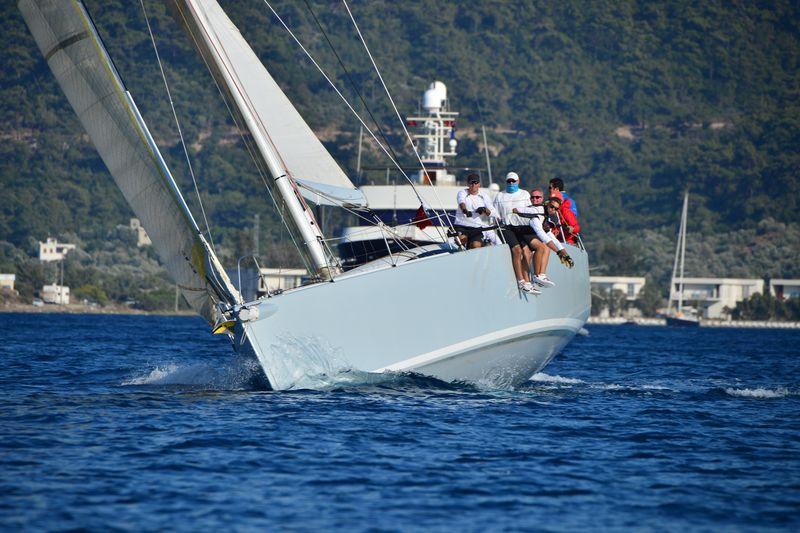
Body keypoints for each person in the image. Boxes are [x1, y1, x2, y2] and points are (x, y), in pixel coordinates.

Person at [492, 172, 538, 294]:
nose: (511, 183)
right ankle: (520, 281)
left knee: (527, 252)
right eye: (509, 181)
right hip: (506, 227)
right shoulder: (499, 196)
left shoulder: (524, 194)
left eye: (513, 181)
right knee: (517, 250)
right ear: (506, 182)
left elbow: (530, 210)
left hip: (521, 227)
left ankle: (528, 281)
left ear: (518, 181)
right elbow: (495, 215)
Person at [513, 196, 573, 287]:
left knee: (546, 249)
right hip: (517, 229)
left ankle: (541, 275)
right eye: (551, 206)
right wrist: (558, 253)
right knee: (542, 247)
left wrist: (565, 254)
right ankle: (537, 277)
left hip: (527, 230)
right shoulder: (538, 212)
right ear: (547, 204)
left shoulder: (545, 216)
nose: (552, 209)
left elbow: (551, 237)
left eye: (556, 209)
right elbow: (542, 235)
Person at [454, 174, 498, 249]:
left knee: (475, 245)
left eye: (476, 183)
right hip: (461, 225)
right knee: (461, 240)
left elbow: (493, 212)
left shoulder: (484, 196)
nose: (473, 185)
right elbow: (461, 202)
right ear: (468, 184)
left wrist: (485, 210)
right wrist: (465, 211)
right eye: (471, 183)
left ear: (479, 184)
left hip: (476, 227)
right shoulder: (462, 192)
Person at [548, 178, 580, 243]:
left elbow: (572, 221)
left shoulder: (565, 207)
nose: (548, 190)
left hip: (565, 238)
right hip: (558, 237)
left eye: (550, 187)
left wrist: (571, 229)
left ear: (556, 189)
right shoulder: (571, 201)